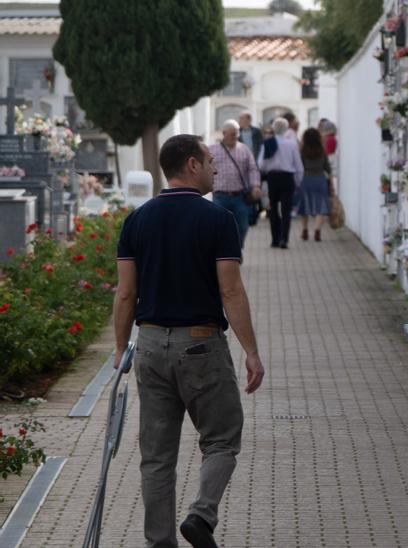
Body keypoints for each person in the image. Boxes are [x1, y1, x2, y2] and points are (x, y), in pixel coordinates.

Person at [110, 134, 265, 548]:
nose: (217, 168)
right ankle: (201, 514)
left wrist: (120, 347)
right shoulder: (217, 220)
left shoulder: (137, 220)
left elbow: (125, 293)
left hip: (149, 344)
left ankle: (159, 542)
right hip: (200, 345)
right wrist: (251, 351)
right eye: (211, 161)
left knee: (156, 456)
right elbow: (230, 291)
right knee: (222, 438)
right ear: (192, 165)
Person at [209, 120, 261, 247]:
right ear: (224, 133)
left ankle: (237, 251)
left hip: (240, 197)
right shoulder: (212, 150)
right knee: (220, 228)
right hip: (220, 196)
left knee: (242, 227)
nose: (235, 136)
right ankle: (223, 254)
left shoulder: (244, 149)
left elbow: (252, 168)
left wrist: (255, 186)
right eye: (232, 134)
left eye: (237, 133)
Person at [258, 118, 303, 249]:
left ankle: (275, 240)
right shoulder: (292, 144)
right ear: (286, 128)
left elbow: (261, 164)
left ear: (273, 128)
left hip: (272, 178)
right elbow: (298, 165)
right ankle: (284, 239)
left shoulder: (267, 143)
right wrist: (298, 181)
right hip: (288, 178)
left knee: (273, 209)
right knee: (286, 210)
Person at [295, 128, 332, 242]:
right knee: (320, 206)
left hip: (305, 179)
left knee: (304, 205)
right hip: (320, 179)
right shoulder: (322, 150)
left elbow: (298, 166)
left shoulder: (302, 151)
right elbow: (328, 168)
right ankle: (317, 230)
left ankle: (305, 230)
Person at [237, 113, 265, 227]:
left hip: (255, 164)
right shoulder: (238, 132)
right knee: (246, 191)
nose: (240, 121)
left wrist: (258, 163)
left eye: (242, 119)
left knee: (255, 189)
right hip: (242, 165)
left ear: (249, 120)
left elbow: (261, 147)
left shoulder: (256, 132)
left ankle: (254, 215)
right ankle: (249, 216)